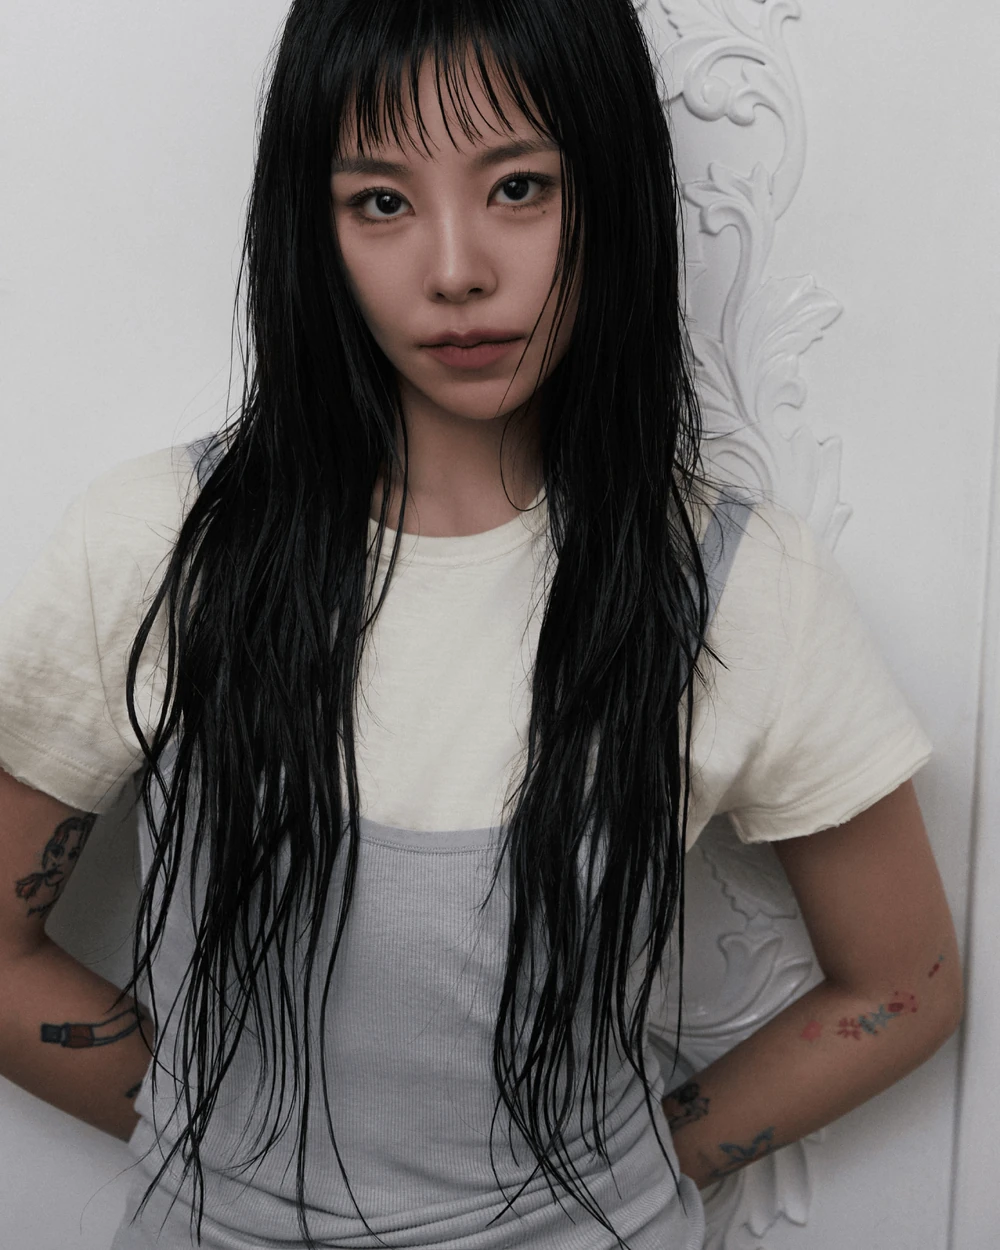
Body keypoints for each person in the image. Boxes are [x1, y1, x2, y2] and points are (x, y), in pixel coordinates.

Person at [0, 0, 963, 1247]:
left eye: (518, 187)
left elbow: (903, 983)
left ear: (607, 188)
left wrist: (614, 1176)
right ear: (312, 227)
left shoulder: (734, 582)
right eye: (380, 201)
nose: (455, 268)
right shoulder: (160, 543)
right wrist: (214, 1144)